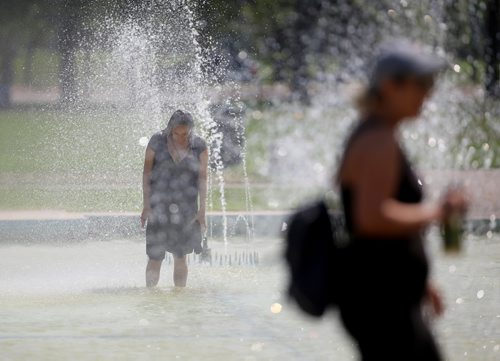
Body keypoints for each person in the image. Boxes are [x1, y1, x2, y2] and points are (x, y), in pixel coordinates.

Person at [336, 41, 468, 360]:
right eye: (421, 84)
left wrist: (421, 283)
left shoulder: (376, 133)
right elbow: (371, 217)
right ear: (390, 86)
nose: (428, 94)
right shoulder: (378, 139)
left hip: (383, 291)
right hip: (381, 298)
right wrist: (439, 212)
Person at [141, 110, 208, 287]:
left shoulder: (199, 145)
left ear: (190, 131)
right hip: (158, 207)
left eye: (184, 134)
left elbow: (203, 178)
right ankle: (150, 295)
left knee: (180, 256)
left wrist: (202, 211)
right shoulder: (157, 141)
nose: (180, 137)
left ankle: (179, 296)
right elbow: (147, 173)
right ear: (170, 130)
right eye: (176, 133)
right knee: (155, 257)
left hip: (187, 209)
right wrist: (146, 205)